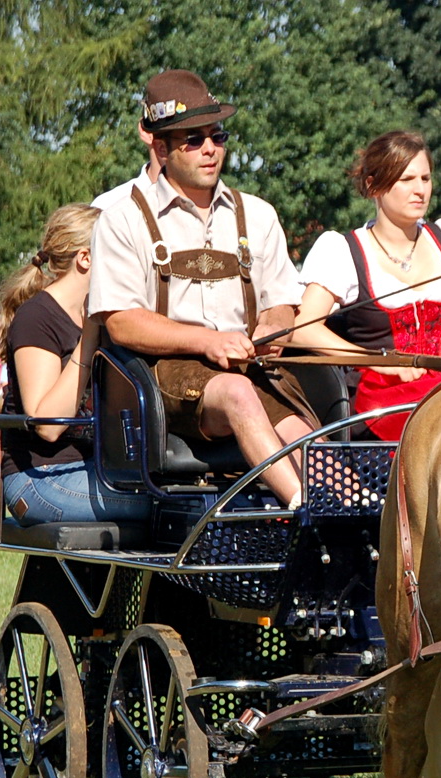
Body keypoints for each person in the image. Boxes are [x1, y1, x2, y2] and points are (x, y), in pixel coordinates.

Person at [89, 70, 316, 502]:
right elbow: (121, 322)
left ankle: (349, 516)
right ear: (162, 149)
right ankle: (301, 509)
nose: (210, 148)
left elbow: (282, 303)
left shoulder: (259, 216)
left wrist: (272, 329)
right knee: (238, 393)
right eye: (193, 139)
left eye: (217, 135)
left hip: (248, 366)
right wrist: (208, 342)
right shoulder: (122, 219)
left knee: (304, 437)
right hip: (162, 375)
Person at [290, 129, 441, 441]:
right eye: (407, 179)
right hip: (380, 401)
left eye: (425, 178)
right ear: (374, 185)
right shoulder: (342, 250)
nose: (420, 190)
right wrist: (378, 362)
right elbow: (302, 327)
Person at [0, 203, 153, 524]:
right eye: (117, 253)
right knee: (169, 509)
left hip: (95, 467)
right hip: (40, 476)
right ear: (86, 258)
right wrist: (89, 336)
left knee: (185, 496)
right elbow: (47, 426)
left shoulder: (111, 318)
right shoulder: (36, 318)